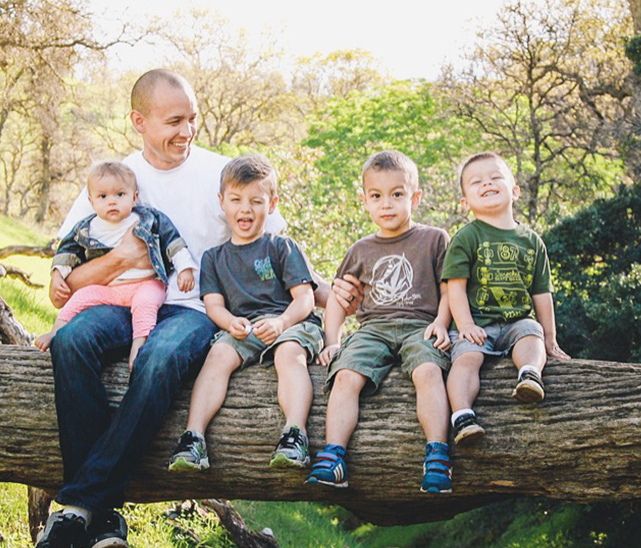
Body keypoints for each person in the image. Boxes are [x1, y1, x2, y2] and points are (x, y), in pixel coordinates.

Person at [29, 70, 302, 548]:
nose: (187, 131)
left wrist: (313, 298)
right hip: (118, 300)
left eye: (192, 119)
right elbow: (62, 286)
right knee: (70, 341)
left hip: (197, 311)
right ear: (139, 121)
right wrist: (125, 257)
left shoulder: (223, 174)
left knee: (155, 360)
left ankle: (74, 511)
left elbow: (278, 252)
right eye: (174, 121)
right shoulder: (111, 179)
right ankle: (104, 515)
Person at [305, 150, 454, 493]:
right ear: (364, 201)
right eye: (376, 196)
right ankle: (334, 456)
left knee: (428, 371)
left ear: (415, 197)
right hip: (372, 329)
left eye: (397, 194)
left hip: (422, 325)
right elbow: (340, 301)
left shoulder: (434, 239)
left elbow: (450, 290)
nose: (386, 204)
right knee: (345, 376)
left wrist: (443, 323)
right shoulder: (361, 249)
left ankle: (437, 455)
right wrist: (332, 342)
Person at [168, 154, 324, 472]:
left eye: (256, 201)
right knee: (219, 354)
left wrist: (281, 323)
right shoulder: (213, 258)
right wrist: (230, 323)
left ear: (272, 204)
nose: (245, 209)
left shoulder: (282, 247)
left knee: (287, 354)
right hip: (245, 328)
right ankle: (193, 437)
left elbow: (305, 299)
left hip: (292, 323)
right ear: (222, 202)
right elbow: (214, 305)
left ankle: (296, 434)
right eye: (236, 199)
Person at [442, 151, 570, 446]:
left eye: (495, 177)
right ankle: (463, 416)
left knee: (531, 334)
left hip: (516, 322)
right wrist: (465, 325)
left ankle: (529, 376)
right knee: (466, 358)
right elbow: (455, 288)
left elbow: (541, 293)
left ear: (515, 191)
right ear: (465, 203)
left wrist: (550, 338)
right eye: (476, 182)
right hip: (477, 324)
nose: (487, 183)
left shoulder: (531, 241)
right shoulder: (467, 237)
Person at [34, 161, 196, 370]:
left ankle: (139, 344)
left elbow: (173, 242)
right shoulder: (87, 229)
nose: (112, 202)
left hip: (146, 283)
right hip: (110, 289)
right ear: (92, 201)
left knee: (145, 303)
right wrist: (57, 274)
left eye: (120, 195)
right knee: (79, 298)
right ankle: (56, 330)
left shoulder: (148, 219)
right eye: (103, 196)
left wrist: (185, 268)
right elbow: (67, 252)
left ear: (134, 197)